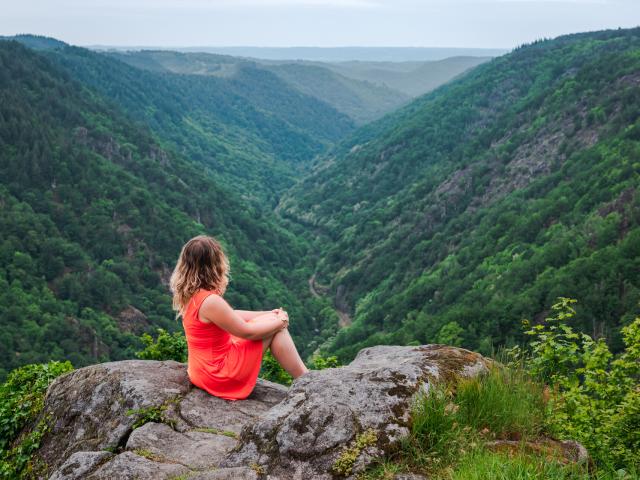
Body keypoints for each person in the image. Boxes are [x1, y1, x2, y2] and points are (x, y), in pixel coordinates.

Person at [170, 235, 308, 400]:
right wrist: (280, 321)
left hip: (201, 371)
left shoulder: (191, 294)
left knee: (270, 322)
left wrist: (269, 313)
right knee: (275, 330)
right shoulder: (211, 301)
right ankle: (306, 379)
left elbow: (231, 315)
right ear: (214, 264)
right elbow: (247, 333)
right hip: (219, 375)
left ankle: (305, 377)